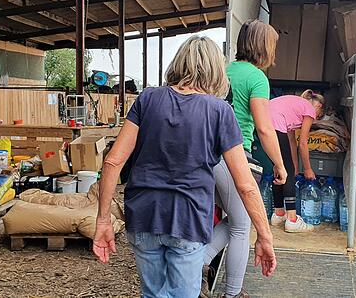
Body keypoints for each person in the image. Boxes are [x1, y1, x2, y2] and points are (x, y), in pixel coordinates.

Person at [93, 36, 276, 298]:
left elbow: (113, 161)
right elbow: (245, 185)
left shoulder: (147, 99)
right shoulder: (219, 111)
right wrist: (265, 235)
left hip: (144, 216)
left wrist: (102, 221)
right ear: (215, 70)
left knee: (153, 294)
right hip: (188, 220)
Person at [202, 20, 287, 298]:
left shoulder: (224, 70)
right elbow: (264, 127)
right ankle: (230, 291)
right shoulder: (256, 78)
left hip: (207, 156)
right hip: (234, 157)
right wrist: (279, 163)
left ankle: (194, 265)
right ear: (264, 47)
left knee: (235, 221)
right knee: (242, 225)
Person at [268, 90, 325, 232]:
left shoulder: (295, 107)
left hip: (264, 122)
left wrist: (294, 165)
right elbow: (303, 143)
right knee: (287, 172)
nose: (316, 118)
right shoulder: (310, 109)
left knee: (279, 168)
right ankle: (292, 220)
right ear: (319, 107)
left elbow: (292, 140)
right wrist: (307, 168)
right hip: (275, 123)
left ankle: (279, 213)